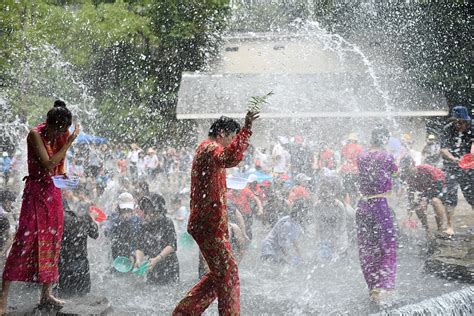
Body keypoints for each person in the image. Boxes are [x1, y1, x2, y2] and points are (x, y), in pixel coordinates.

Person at [173, 111, 259, 316]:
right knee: (229, 275)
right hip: (208, 225)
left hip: (210, 224)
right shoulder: (210, 148)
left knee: (221, 275)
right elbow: (230, 158)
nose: (232, 143)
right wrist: (246, 129)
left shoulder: (207, 149)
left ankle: (184, 312)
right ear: (221, 133)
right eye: (232, 138)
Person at [0, 100, 80, 312]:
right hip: (35, 195)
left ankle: (47, 294)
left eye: (63, 132)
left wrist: (68, 178)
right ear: (50, 124)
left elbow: (57, 168)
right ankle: (2, 299)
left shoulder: (62, 133)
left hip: (53, 193)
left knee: (52, 240)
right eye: (57, 130)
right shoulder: (35, 134)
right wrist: (69, 142)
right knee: (24, 240)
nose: (59, 135)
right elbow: (48, 163)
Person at [356, 126, 398, 303]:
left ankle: (372, 286)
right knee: (387, 245)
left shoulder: (361, 156)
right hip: (380, 205)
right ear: (385, 140)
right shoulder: (387, 157)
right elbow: (395, 172)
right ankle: (383, 286)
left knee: (367, 246)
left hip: (363, 205)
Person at [439, 105, 473, 235]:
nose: (462, 125)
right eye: (459, 122)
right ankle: (449, 226)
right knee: (450, 197)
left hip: (469, 167)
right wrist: (454, 159)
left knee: (472, 196)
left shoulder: (472, 127)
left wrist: (471, 156)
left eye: (464, 122)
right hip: (451, 167)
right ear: (454, 121)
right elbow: (443, 150)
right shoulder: (447, 130)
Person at [134, 194, 179, 285]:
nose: (150, 215)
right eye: (148, 211)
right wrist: (138, 260)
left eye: (153, 212)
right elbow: (140, 246)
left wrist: (157, 259)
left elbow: (172, 245)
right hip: (152, 266)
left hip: (169, 265)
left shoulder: (167, 222)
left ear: (160, 211)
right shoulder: (144, 225)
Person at [57, 200, 99, 297]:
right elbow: (95, 234)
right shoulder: (80, 219)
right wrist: (91, 218)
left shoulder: (54, 218)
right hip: (80, 265)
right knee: (83, 297)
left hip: (62, 265)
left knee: (63, 297)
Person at [399, 156, 447, 235]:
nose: (407, 171)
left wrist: (425, 198)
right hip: (425, 192)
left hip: (441, 187)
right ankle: (427, 231)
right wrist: (409, 213)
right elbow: (410, 195)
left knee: (435, 201)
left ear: (413, 164)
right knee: (418, 207)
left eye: (408, 168)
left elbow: (438, 185)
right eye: (405, 170)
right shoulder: (409, 178)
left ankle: (441, 228)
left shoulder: (426, 169)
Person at [261, 199, 309, 265]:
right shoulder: (287, 224)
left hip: (276, 250)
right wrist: (289, 258)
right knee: (275, 269)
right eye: (304, 212)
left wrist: (301, 257)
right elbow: (282, 244)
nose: (305, 215)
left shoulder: (295, 224)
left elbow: (295, 241)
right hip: (269, 248)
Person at [104, 192, 141, 262]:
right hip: (116, 254)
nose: (126, 214)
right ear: (119, 209)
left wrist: (132, 254)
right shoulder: (114, 218)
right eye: (124, 211)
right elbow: (106, 232)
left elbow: (137, 240)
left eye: (129, 211)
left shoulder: (136, 220)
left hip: (131, 255)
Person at [340, 133, 364, 206]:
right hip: (355, 171)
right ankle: (353, 204)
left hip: (345, 171)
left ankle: (346, 204)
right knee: (354, 189)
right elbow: (362, 160)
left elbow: (342, 158)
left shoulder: (344, 148)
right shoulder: (359, 148)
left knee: (346, 188)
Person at [0, 191, 15, 256]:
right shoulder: (3, 215)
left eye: (10, 202)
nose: (9, 203)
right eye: (8, 201)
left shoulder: (11, 211)